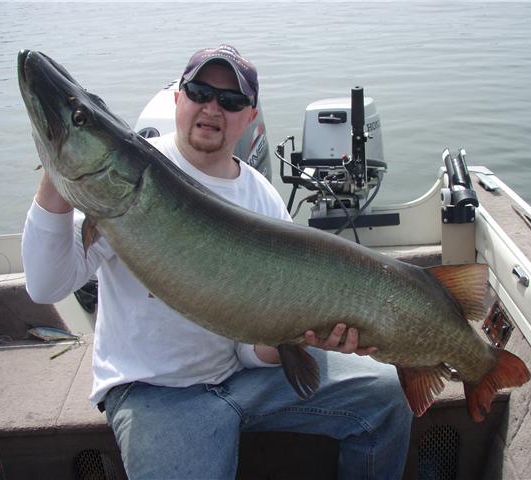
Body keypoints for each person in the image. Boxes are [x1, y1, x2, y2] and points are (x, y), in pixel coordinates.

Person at [23, 44, 412, 479]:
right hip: (154, 390)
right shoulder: (121, 179)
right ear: (178, 97)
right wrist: (58, 171)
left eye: (231, 100)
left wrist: (295, 337)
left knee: (386, 395)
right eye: (200, 92)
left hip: (242, 378)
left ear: (250, 116)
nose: (212, 108)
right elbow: (46, 285)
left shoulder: (260, 197)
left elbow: (249, 345)